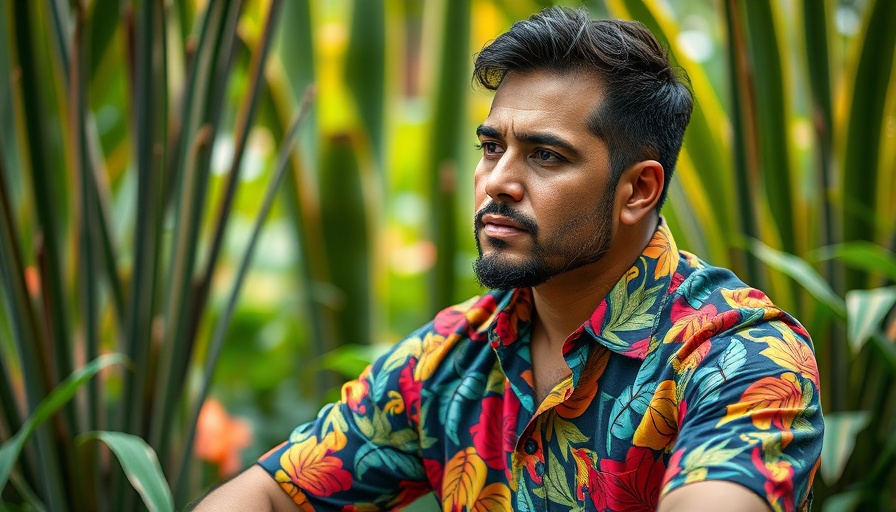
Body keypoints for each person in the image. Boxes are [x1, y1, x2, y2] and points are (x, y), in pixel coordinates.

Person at [193, 6, 822, 511]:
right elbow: (274, 493)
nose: (498, 181)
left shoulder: (741, 357)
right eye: (492, 147)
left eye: (546, 155)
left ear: (638, 190)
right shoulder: (451, 357)